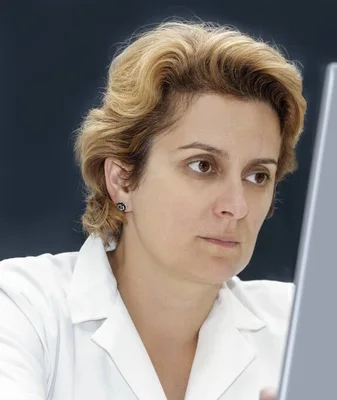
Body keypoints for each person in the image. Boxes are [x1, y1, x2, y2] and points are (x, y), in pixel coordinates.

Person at [0, 19, 306, 400]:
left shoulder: (304, 327)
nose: (236, 206)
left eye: (258, 175)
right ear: (122, 180)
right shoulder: (21, 307)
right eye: (203, 166)